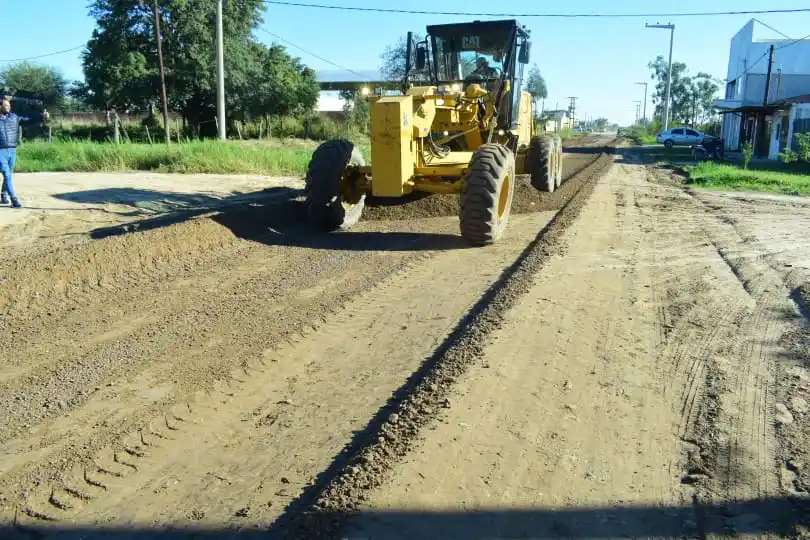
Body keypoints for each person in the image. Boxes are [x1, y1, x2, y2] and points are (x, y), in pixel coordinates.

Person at [0, 97, 49, 208]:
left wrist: (42, 117)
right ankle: (14, 200)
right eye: (5, 105)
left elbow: (29, 120)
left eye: (9, 105)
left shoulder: (14, 117)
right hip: (0, 151)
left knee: (9, 175)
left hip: (12, 150)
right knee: (6, 174)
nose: (8, 107)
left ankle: (3, 195)